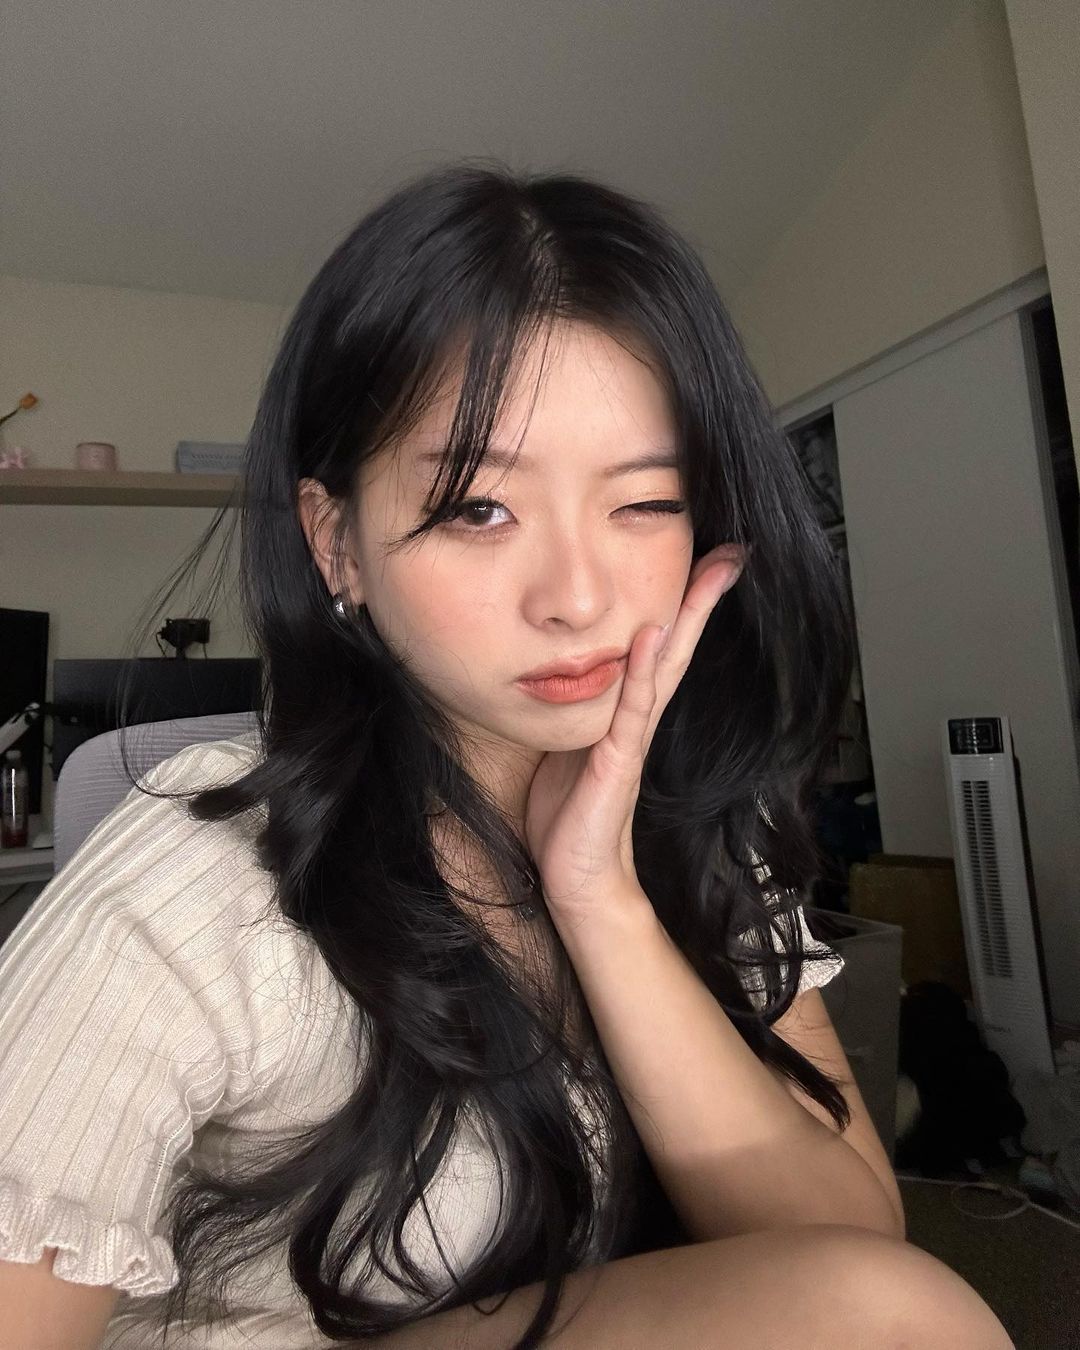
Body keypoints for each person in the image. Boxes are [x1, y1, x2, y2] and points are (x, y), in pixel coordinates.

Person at [0, 162, 1012, 1350]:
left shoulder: (697, 823)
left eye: (644, 504)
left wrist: (599, 897)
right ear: (337, 544)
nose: (578, 597)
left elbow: (839, 1249)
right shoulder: (203, 883)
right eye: (479, 509)